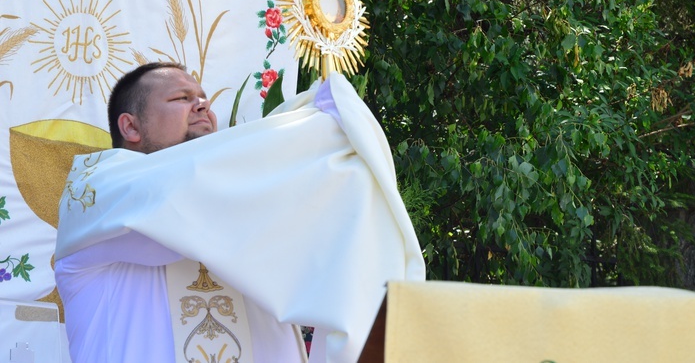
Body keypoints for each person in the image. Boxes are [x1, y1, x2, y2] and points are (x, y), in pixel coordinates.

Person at [55, 62, 425, 363]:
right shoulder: (94, 192)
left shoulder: (250, 202)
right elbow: (181, 190)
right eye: (182, 98)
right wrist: (323, 124)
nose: (202, 105)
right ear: (130, 126)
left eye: (204, 98)